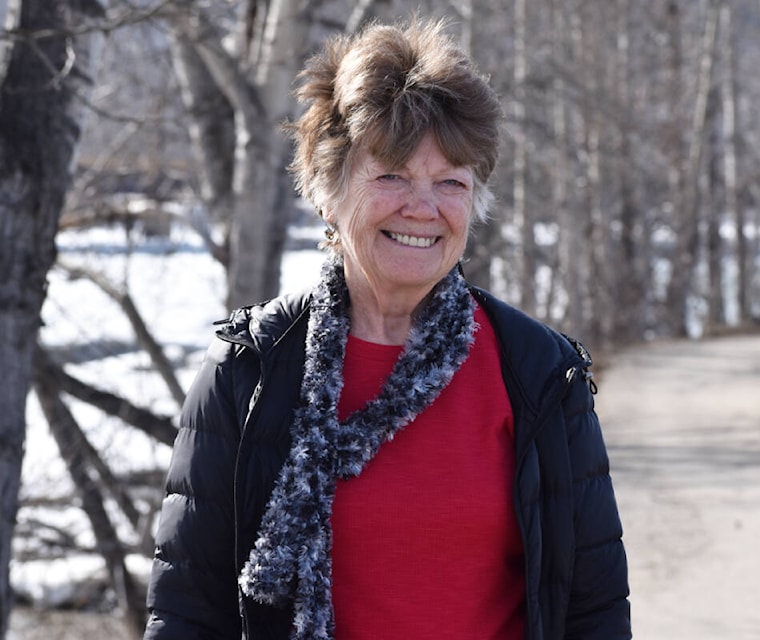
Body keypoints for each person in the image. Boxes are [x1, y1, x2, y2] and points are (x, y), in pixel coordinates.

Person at [143, 16, 630, 640]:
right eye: (391, 175)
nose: (421, 208)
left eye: (450, 182)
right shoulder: (248, 370)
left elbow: (593, 611)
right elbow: (187, 613)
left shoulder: (539, 371)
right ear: (328, 189)